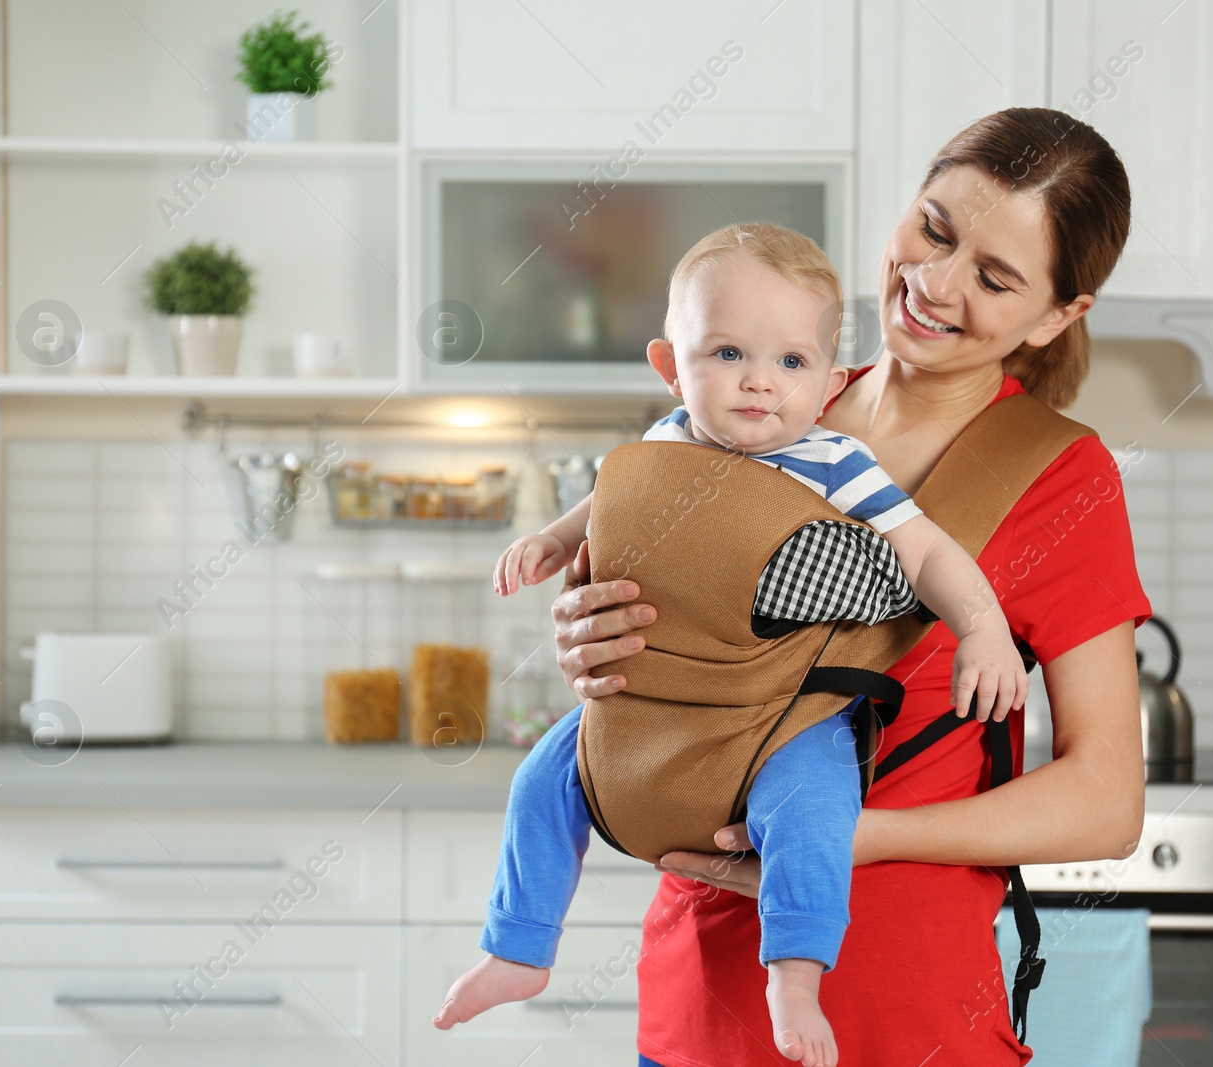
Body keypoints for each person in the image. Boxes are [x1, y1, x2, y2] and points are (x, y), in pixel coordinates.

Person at [549, 107, 1151, 1066]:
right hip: (703, 992)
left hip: (907, 1009)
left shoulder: (1060, 477)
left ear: (1058, 314)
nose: (934, 283)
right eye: (934, 229)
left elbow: (1106, 801)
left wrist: (848, 837)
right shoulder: (766, 392)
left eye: (995, 279)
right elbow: (678, 648)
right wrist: (592, 642)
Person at [435, 222, 1028, 1067]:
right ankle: (518, 948)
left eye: (791, 362)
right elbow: (609, 503)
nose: (758, 381)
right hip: (651, 706)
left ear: (827, 382)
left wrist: (983, 626)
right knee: (542, 779)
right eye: (725, 353)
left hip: (781, 714)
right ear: (671, 366)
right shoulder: (661, 445)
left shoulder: (834, 461)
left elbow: (925, 549)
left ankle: (793, 969)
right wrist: (556, 543)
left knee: (816, 808)